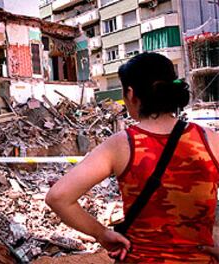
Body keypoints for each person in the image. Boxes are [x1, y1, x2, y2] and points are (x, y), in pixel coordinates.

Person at [46, 52, 219, 263]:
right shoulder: (210, 140)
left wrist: (101, 233)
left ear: (130, 93)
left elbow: (58, 197)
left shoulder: (120, 145)